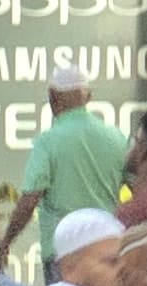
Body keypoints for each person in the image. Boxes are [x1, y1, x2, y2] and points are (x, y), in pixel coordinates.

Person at [15, 65, 127, 264]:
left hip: (64, 250)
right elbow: (138, 184)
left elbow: (30, 199)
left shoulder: (48, 142)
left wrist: (6, 240)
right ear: (88, 97)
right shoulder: (116, 137)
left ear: (52, 98)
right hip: (108, 247)